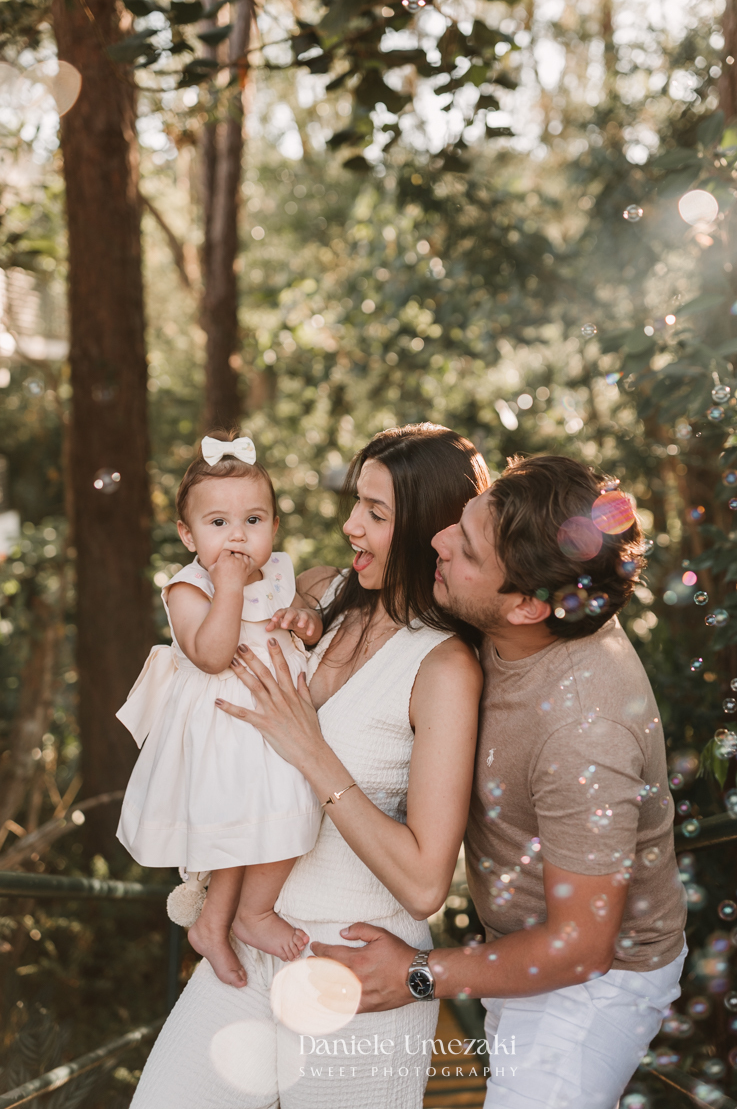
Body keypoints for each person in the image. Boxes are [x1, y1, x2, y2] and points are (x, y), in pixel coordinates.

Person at [312, 454, 688, 1109]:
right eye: (459, 523)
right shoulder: (510, 604)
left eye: (464, 549)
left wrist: (417, 974)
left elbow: (581, 947)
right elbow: (343, 580)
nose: (437, 541)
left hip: (597, 982)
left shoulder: (586, 734)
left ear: (527, 607)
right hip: (515, 947)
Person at [129, 423, 487, 1109]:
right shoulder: (317, 592)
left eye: (376, 513)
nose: (351, 526)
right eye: (357, 504)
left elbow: (423, 884)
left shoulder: (443, 667)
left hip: (352, 966)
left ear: (431, 531)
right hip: (250, 946)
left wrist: (310, 748)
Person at [116, 431, 324, 988]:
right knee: (247, 820)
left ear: (274, 526)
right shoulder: (188, 588)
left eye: (253, 520)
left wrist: (304, 620)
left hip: (277, 717)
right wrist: (228, 586)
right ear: (188, 535)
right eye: (218, 523)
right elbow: (210, 655)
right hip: (226, 723)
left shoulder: (278, 572)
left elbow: (303, 621)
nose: (237, 535)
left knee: (275, 813)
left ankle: (217, 922)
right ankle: (249, 915)